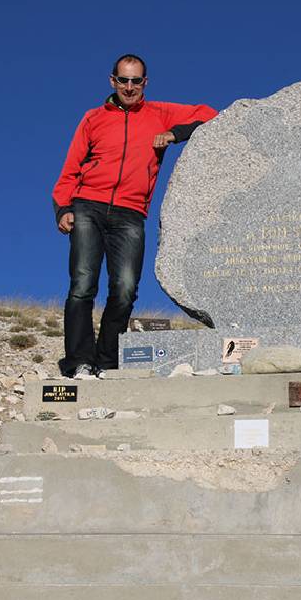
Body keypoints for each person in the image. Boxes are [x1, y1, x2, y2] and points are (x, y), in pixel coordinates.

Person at [52, 54, 217, 378]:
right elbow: (70, 169)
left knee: (125, 287)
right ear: (112, 81)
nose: (130, 87)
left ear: (145, 83)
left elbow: (209, 114)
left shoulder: (159, 113)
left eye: (136, 81)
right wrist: (64, 207)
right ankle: (78, 362)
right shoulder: (93, 118)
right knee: (83, 284)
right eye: (124, 80)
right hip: (89, 205)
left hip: (130, 213)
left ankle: (107, 361)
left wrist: (174, 134)